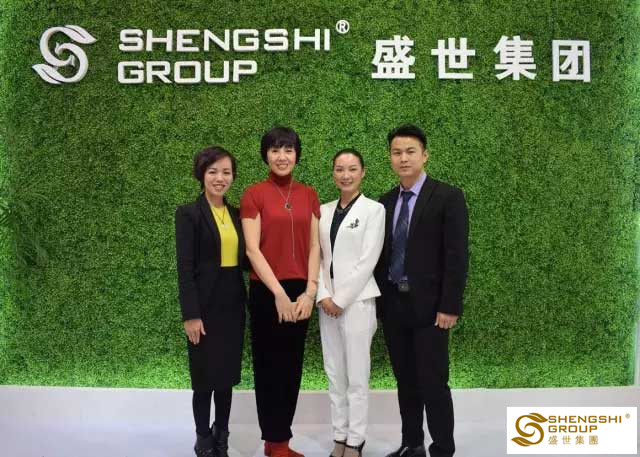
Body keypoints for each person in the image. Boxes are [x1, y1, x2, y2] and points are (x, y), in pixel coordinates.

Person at [374, 125, 469, 457]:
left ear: (424, 155)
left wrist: (450, 305)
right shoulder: (385, 202)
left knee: (433, 383)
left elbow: (456, 255)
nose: (403, 158)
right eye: (397, 152)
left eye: (410, 151)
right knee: (406, 381)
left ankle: (442, 448)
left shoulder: (448, 197)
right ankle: (412, 444)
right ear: (390, 158)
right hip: (394, 306)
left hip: (431, 309)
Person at [240, 126, 321, 457]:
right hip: (266, 291)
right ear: (266, 155)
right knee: (268, 366)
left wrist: (310, 291)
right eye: (275, 150)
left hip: (300, 292)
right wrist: (278, 294)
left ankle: (281, 441)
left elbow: (315, 246)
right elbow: (252, 250)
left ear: (297, 155)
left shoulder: (309, 194)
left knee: (291, 367)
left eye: (288, 150)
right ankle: (274, 443)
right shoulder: (254, 194)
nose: (282, 156)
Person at [175, 146, 247, 457]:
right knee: (204, 379)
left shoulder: (237, 214)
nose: (220, 178)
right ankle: (203, 438)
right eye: (213, 171)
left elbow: (247, 258)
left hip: (233, 307)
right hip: (203, 310)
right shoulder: (188, 214)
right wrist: (191, 315)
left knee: (226, 379)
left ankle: (222, 436)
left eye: (226, 172)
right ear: (201, 174)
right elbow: (185, 268)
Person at [316, 149, 385, 457]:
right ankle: (339, 435)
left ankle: (356, 440)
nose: (346, 175)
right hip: (326, 303)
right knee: (334, 374)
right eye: (340, 169)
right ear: (333, 173)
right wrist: (323, 296)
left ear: (363, 172)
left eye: (352, 169)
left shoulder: (374, 210)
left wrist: (341, 299)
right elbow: (317, 257)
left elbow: (368, 261)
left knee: (357, 376)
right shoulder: (323, 210)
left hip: (357, 303)